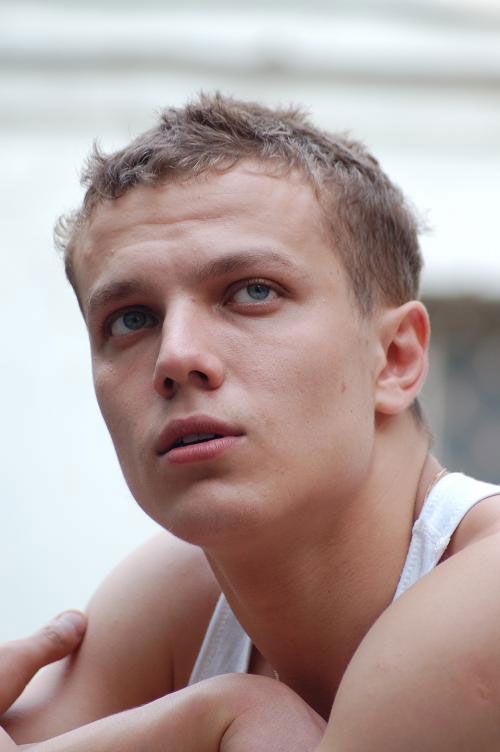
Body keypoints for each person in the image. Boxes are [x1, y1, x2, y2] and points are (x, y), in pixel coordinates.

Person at [2, 93, 500, 751]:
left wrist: (223, 720)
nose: (176, 356)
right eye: (131, 319)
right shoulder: (175, 600)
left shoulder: (486, 597)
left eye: (252, 292)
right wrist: (226, 710)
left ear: (395, 359)